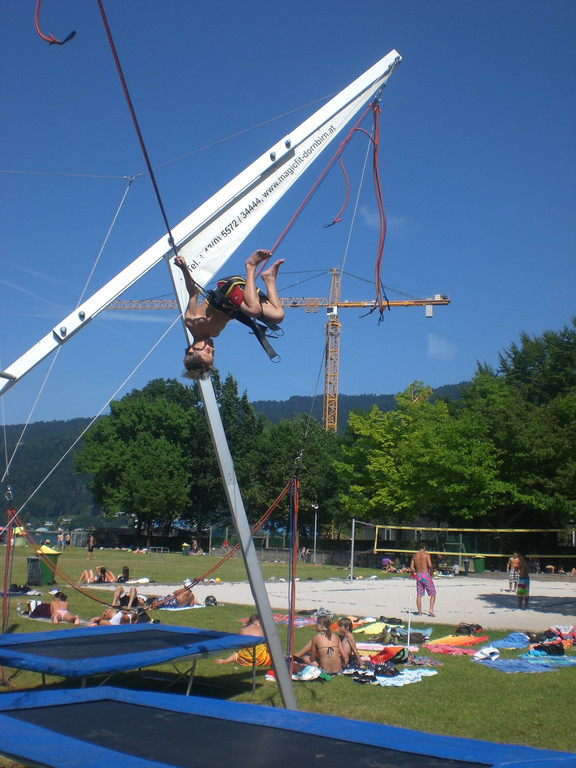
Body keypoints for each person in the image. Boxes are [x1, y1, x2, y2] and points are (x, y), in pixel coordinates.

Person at [174, 249, 285, 379]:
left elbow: (193, 293)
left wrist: (184, 268)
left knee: (254, 310)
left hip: (227, 289)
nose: (213, 349)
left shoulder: (191, 321)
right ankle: (269, 278)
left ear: (191, 350)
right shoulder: (214, 333)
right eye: (213, 354)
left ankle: (250, 266)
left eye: (208, 352)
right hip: (240, 302)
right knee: (278, 316)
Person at [410, 543, 437, 617]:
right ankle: (431, 609)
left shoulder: (415, 556)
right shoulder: (426, 555)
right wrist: (431, 572)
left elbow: (412, 567)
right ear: (424, 548)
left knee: (419, 595)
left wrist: (415, 570)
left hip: (419, 575)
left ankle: (419, 612)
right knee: (433, 593)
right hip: (425, 574)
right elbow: (430, 565)